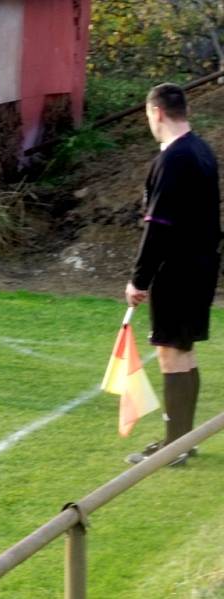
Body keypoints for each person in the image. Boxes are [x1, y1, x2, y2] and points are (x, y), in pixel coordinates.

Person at [124, 83, 220, 466]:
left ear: (157, 112)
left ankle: (175, 445)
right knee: (184, 351)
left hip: (177, 270)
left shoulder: (175, 159)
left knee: (170, 355)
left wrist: (139, 279)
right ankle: (183, 438)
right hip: (200, 265)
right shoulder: (202, 150)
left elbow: (159, 224)